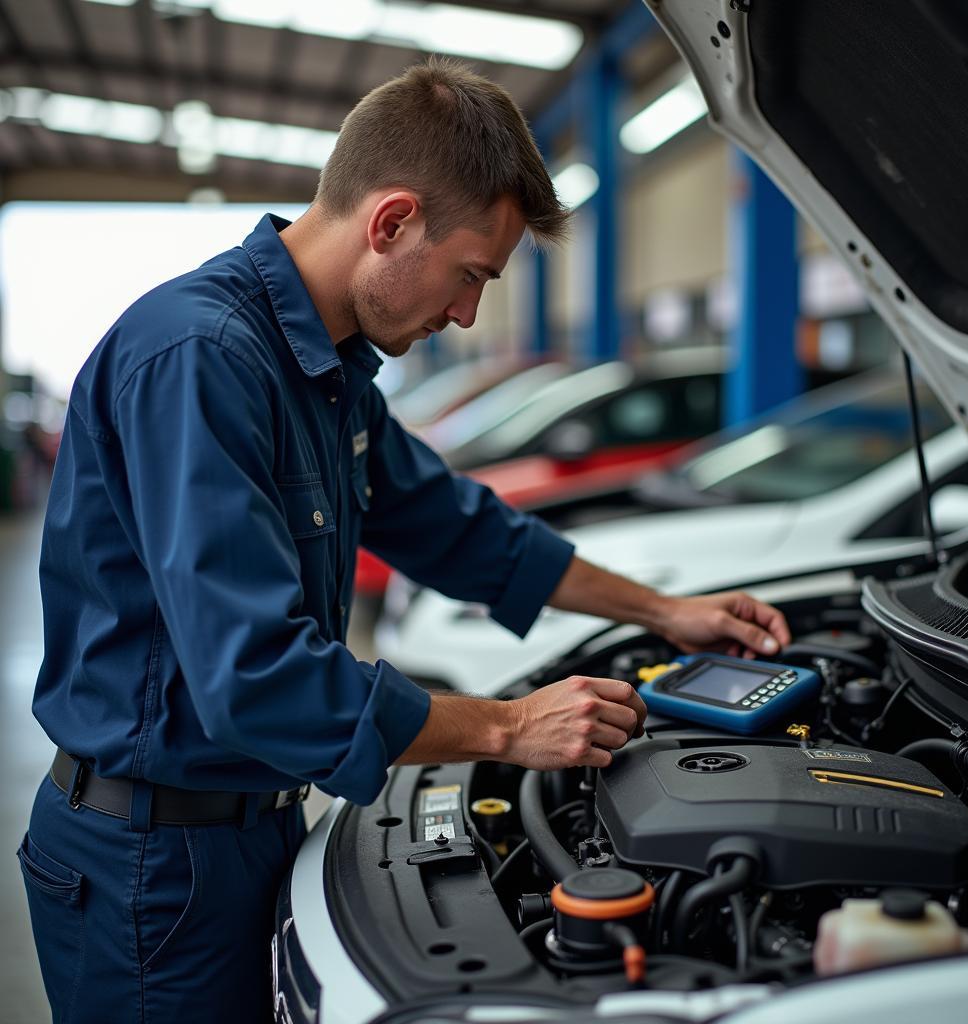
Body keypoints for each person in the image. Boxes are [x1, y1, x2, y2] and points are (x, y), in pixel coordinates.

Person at [19, 57, 790, 1023]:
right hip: (151, 863)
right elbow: (260, 677)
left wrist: (665, 610)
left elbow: (458, 528)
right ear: (390, 223)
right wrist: (511, 728)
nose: (468, 311)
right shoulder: (204, 357)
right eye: (471, 274)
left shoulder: (328, 372)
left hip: (247, 829)